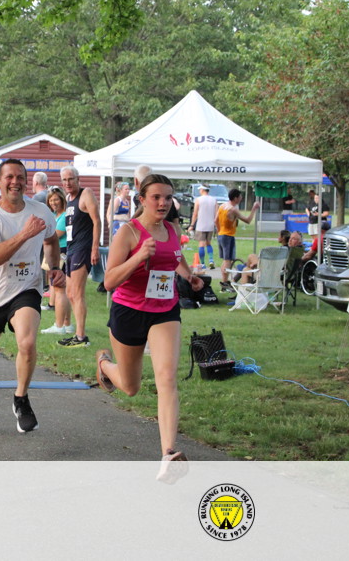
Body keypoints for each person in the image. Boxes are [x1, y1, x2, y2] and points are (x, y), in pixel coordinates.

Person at [96, 173, 203, 481]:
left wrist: (188, 275)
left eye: (168, 197)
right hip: (129, 311)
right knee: (130, 387)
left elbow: (175, 258)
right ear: (142, 199)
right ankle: (104, 366)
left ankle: (168, 454)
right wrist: (139, 256)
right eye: (156, 197)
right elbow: (109, 281)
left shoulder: (172, 228)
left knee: (166, 377)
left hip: (164, 310)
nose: (163, 203)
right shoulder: (128, 232)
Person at [0, 159, 64, 435]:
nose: (15, 182)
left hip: (25, 289)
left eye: (20, 177)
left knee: (28, 343)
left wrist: (54, 267)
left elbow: (51, 239)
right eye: (9, 177)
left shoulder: (40, 211)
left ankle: (21, 398)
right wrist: (24, 234)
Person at [57, 165, 100, 348]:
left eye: (70, 179)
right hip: (71, 249)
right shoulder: (68, 199)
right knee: (69, 293)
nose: (67, 183)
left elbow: (96, 221)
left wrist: (95, 248)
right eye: (64, 180)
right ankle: (77, 333)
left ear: (77, 179)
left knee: (77, 293)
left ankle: (81, 337)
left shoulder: (86, 194)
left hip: (83, 249)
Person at [40, 187, 73, 335]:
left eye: (56, 199)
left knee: (60, 288)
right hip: (56, 251)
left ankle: (59, 326)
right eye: (51, 200)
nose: (53, 202)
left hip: (62, 252)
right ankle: (67, 324)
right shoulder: (54, 215)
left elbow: (56, 234)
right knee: (60, 288)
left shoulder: (65, 215)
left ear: (62, 199)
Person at [215, 189, 260, 290]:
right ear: (235, 198)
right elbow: (248, 220)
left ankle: (224, 282)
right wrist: (254, 208)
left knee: (225, 260)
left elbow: (215, 220)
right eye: (240, 196)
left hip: (221, 235)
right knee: (228, 260)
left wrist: (219, 231)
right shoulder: (233, 210)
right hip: (228, 236)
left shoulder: (222, 206)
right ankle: (225, 283)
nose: (241, 198)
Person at [188, 184, 218, 269]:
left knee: (201, 244)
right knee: (208, 243)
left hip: (201, 225)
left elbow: (195, 213)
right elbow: (216, 213)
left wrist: (192, 225)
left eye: (200, 189)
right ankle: (211, 260)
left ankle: (203, 263)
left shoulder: (198, 200)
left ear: (202, 190)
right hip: (210, 225)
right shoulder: (214, 200)